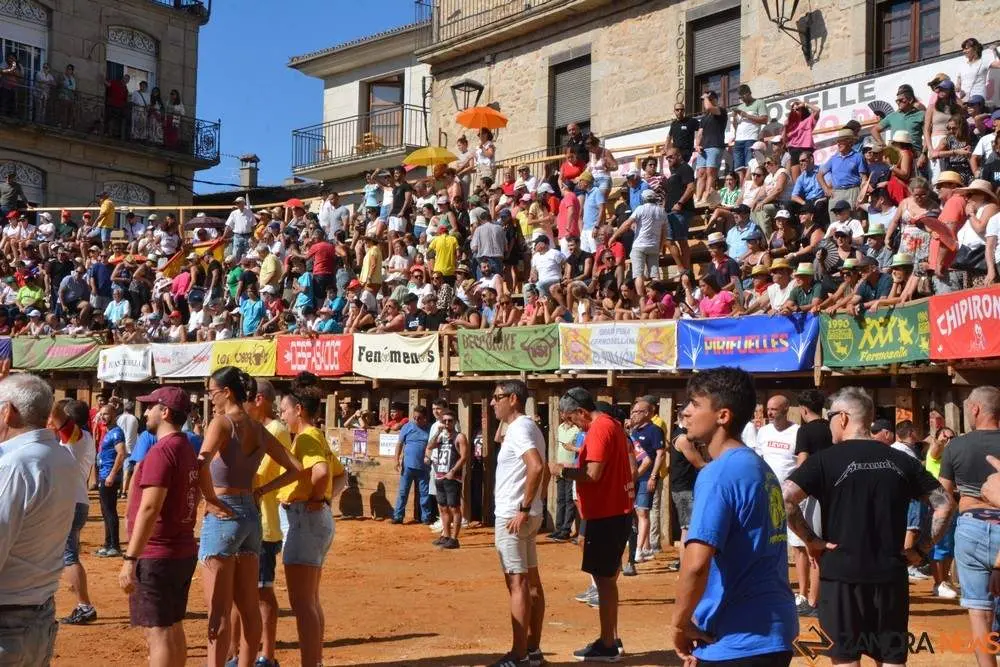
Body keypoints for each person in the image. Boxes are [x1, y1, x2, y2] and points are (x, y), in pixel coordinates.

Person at [784, 387, 955, 667]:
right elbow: (945, 504)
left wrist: (811, 540)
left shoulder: (825, 460)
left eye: (830, 418)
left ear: (842, 418)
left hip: (841, 575)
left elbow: (785, 499)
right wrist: (922, 549)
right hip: (890, 575)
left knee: (846, 660)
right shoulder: (903, 461)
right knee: (891, 659)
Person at [670, 368, 798, 666]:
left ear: (723, 416)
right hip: (774, 630)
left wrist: (680, 623)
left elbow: (696, 564)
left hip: (736, 637)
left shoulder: (718, 474)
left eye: (695, 404)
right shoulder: (759, 467)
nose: (686, 413)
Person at [197, 367, 303, 667]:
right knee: (248, 607)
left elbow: (201, 462)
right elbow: (295, 467)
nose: (211, 398)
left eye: (212, 392)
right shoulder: (258, 428)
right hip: (250, 513)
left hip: (223, 515)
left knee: (217, 610)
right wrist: (261, 491)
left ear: (227, 392)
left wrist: (209, 498)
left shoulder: (222, 423)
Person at [118, 387, 201, 667]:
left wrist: (130, 558)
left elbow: (150, 507)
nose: (146, 411)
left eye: (151, 406)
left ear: (165, 412)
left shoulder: (162, 451)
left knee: (159, 632)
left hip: (158, 553)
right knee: (174, 626)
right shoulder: (186, 447)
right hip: (181, 548)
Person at [0, 374, 79, 667]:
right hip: (38, 614)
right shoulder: (61, 458)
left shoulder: (14, 465)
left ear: (8, 411)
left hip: (8, 622)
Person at [552, 387, 632, 661]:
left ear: (582, 411)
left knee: (604, 581)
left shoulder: (599, 429)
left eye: (573, 419)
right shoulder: (612, 426)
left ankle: (608, 643)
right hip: (612, 510)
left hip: (606, 513)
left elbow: (592, 473)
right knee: (607, 579)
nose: (573, 424)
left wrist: (562, 470)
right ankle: (610, 636)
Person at [276, 372, 347, 667]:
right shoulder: (314, 436)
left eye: (284, 411)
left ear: (299, 410)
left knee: (302, 602)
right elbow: (340, 475)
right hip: (313, 519)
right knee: (310, 600)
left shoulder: (306, 438)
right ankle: (314, 662)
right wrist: (325, 499)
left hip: (304, 519)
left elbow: (320, 473)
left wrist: (317, 499)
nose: (282, 415)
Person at [227, 379, 292, 667]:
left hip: (264, 523)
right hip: (251, 520)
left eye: (249, 399)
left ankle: (267, 653)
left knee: (261, 591)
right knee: (238, 592)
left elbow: (257, 473)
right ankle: (235, 652)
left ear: (260, 400)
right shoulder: (258, 430)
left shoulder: (273, 430)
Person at [939, 386, 1000, 667]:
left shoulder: (956, 446)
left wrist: (931, 539)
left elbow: (943, 499)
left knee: (978, 611)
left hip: (970, 527)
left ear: (975, 409)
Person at [489, 380, 547, 667]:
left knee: (517, 583)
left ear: (513, 398)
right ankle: (532, 649)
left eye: (497, 397)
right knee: (530, 583)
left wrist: (523, 507)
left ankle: (519, 654)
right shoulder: (525, 427)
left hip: (514, 515)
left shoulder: (521, 429)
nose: (492, 403)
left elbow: (536, 465)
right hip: (526, 512)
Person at [50, 399, 97, 625]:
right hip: (75, 500)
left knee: (69, 556)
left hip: (70, 502)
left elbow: (55, 412)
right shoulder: (81, 437)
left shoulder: (75, 435)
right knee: (63, 555)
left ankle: (85, 606)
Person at [627, 397, 664, 562]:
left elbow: (660, 454)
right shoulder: (634, 431)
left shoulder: (655, 430)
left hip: (646, 476)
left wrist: (653, 476)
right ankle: (646, 547)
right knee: (635, 512)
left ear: (648, 413)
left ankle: (639, 550)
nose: (633, 414)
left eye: (637, 411)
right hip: (634, 475)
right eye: (633, 411)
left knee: (643, 511)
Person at [425, 409, 469, 549]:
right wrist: (438, 432)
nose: (447, 423)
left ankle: (454, 538)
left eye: (450, 421)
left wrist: (453, 471)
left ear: (455, 422)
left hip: (452, 476)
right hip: (439, 474)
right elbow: (430, 446)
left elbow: (464, 456)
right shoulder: (441, 436)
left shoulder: (459, 437)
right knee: (442, 507)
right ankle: (446, 535)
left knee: (454, 507)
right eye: (444, 421)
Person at [393, 405, 434, 524]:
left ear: (425, 418)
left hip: (424, 467)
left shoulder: (430, 428)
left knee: (424, 493)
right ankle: (398, 516)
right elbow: (399, 444)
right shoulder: (407, 426)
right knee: (403, 492)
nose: (416, 420)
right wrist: (396, 460)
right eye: (415, 417)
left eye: (419, 418)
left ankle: (426, 518)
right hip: (407, 466)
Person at [96, 401, 126, 557]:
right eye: (101, 414)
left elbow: (121, 454)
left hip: (109, 476)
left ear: (114, 415)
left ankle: (115, 545)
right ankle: (108, 544)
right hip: (103, 474)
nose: (102, 416)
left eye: (106, 413)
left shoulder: (116, 432)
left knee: (110, 511)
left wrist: (112, 475)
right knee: (104, 511)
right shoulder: (107, 432)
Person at [551, 411, 580, 542]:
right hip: (560, 467)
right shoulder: (559, 427)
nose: (562, 414)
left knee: (569, 500)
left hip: (571, 467)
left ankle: (566, 530)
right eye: (560, 412)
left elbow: (579, 448)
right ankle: (558, 529)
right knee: (560, 499)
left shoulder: (577, 429)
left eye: (564, 412)